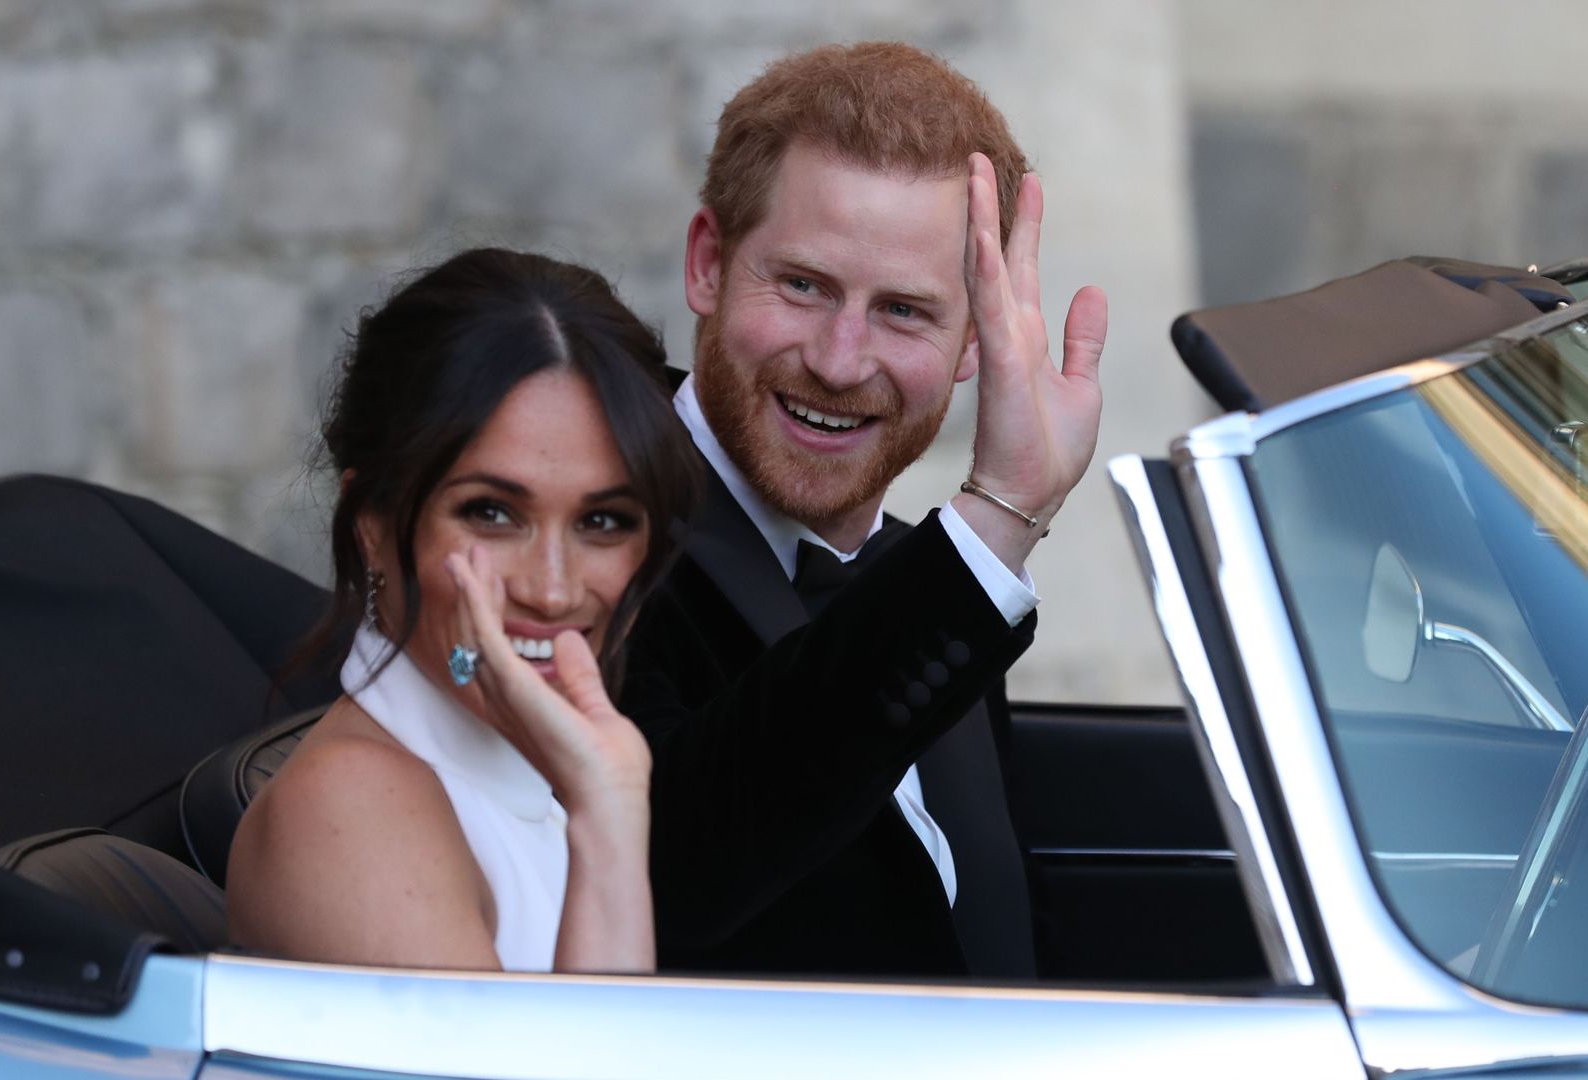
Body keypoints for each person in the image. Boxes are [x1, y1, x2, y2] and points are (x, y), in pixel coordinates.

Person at [619, 42, 1108, 977]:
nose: (841, 361)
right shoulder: (594, 535)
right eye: (803, 286)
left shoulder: (927, 578)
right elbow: (676, 873)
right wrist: (1001, 515)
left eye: (905, 312)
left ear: (975, 344)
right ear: (709, 265)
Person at [225, 248, 702, 973]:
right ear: (374, 526)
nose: (551, 589)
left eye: (603, 522)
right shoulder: (352, 806)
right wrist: (607, 819)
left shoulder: (528, 779)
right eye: (491, 513)